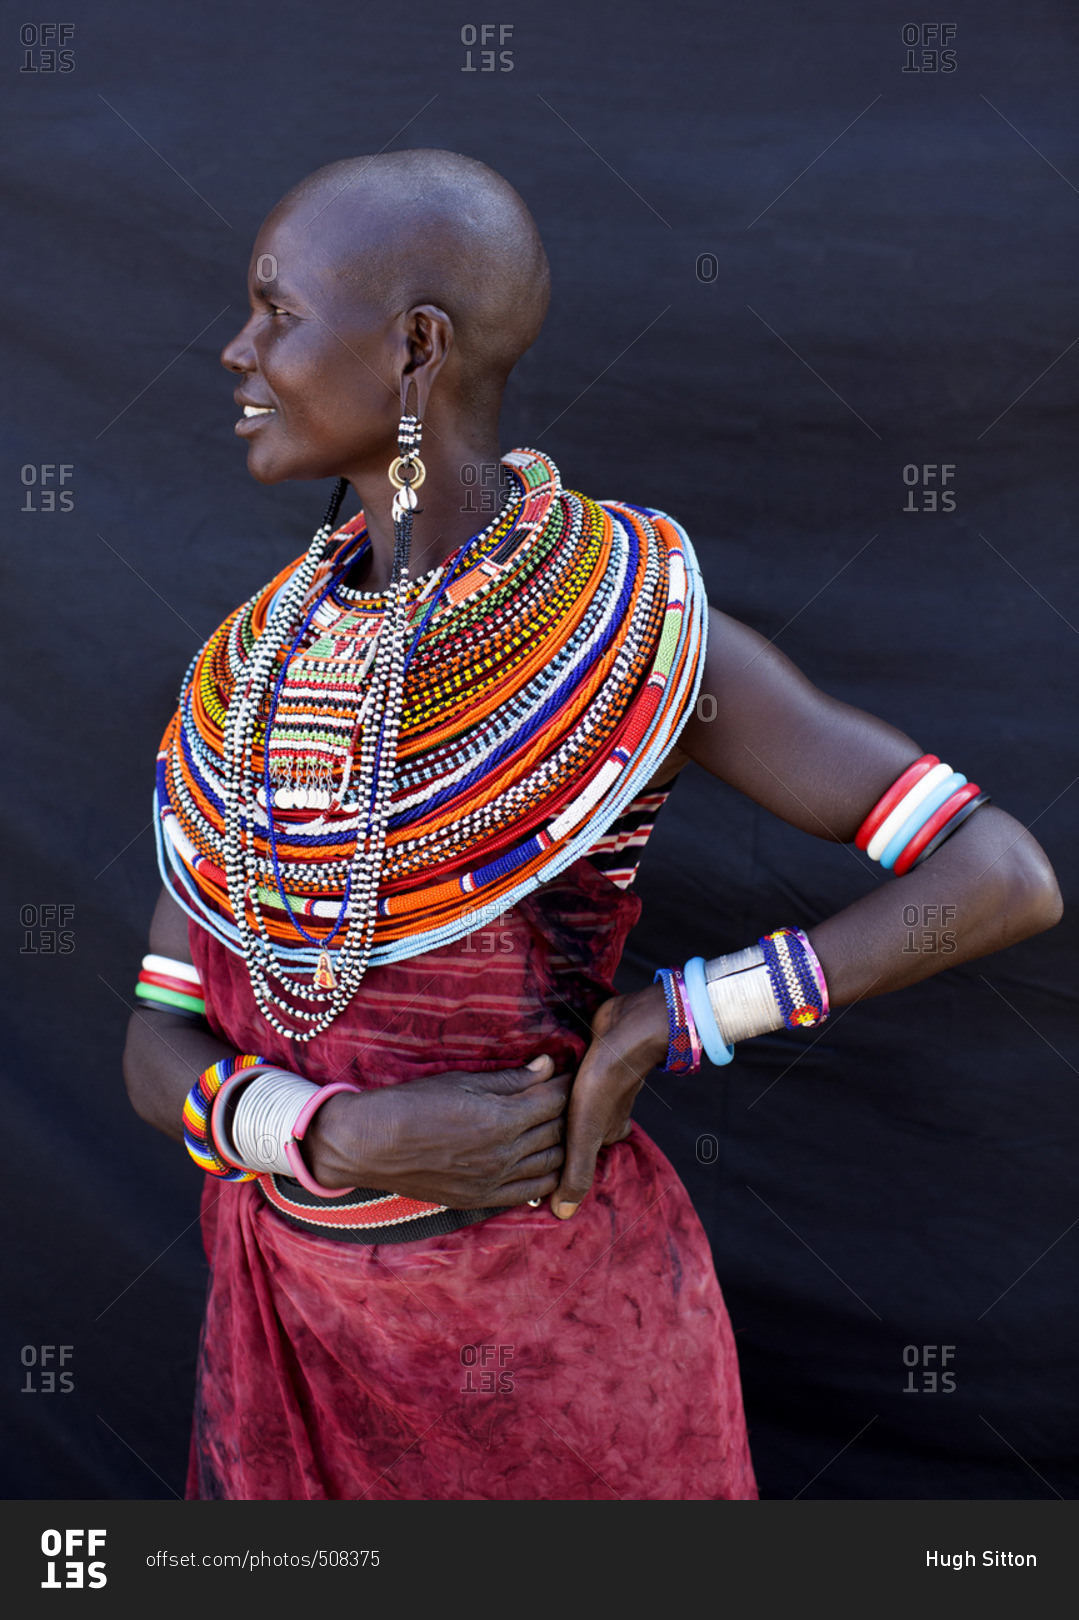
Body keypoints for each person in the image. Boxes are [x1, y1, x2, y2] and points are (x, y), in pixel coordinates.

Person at [123, 149, 1062, 1502]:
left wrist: (679, 1017)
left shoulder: (629, 635)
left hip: (561, 1357)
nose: (236, 350)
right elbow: (157, 1040)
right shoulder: (249, 678)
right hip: (289, 1352)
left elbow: (1000, 877)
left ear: (415, 347)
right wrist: (323, 1135)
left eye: (276, 310)